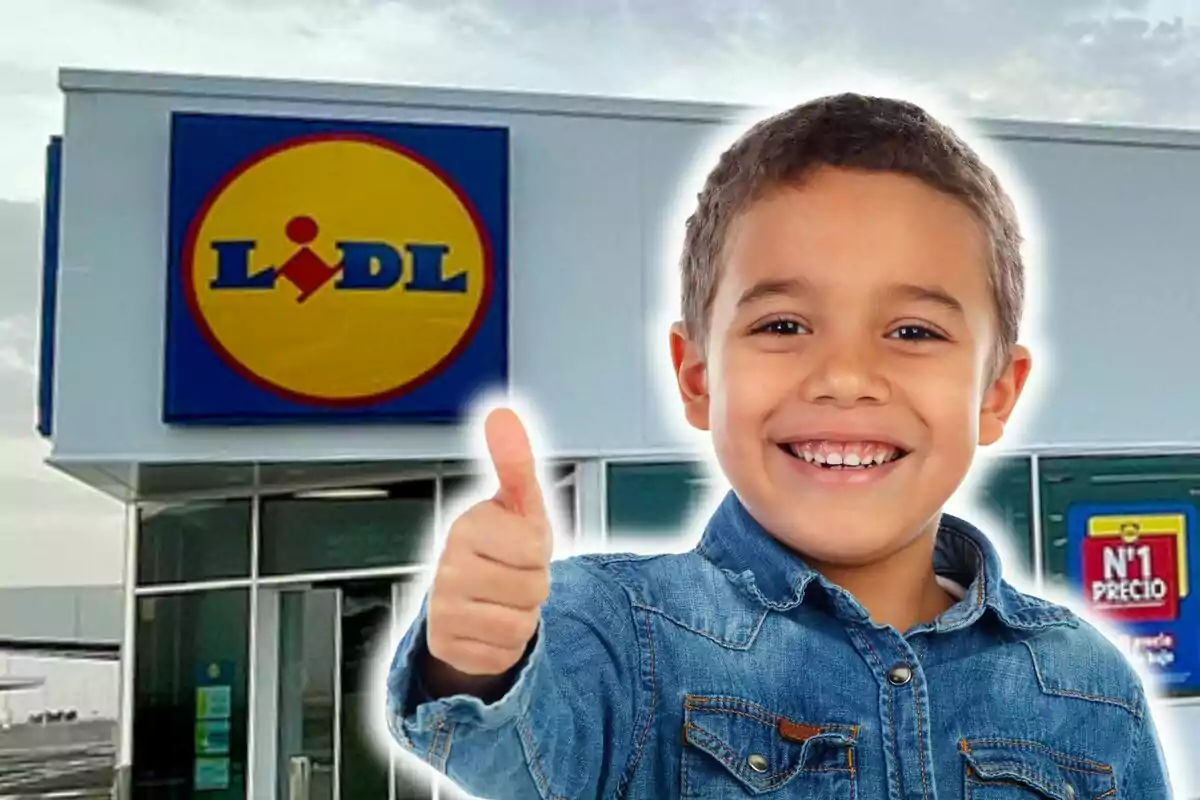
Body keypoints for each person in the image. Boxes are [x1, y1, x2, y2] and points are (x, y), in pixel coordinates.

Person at [384, 93, 1174, 798]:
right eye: (783, 325)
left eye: (913, 331)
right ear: (696, 376)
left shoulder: (1088, 688)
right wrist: (476, 659)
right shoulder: (616, 632)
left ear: (996, 393)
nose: (844, 377)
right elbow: (515, 746)